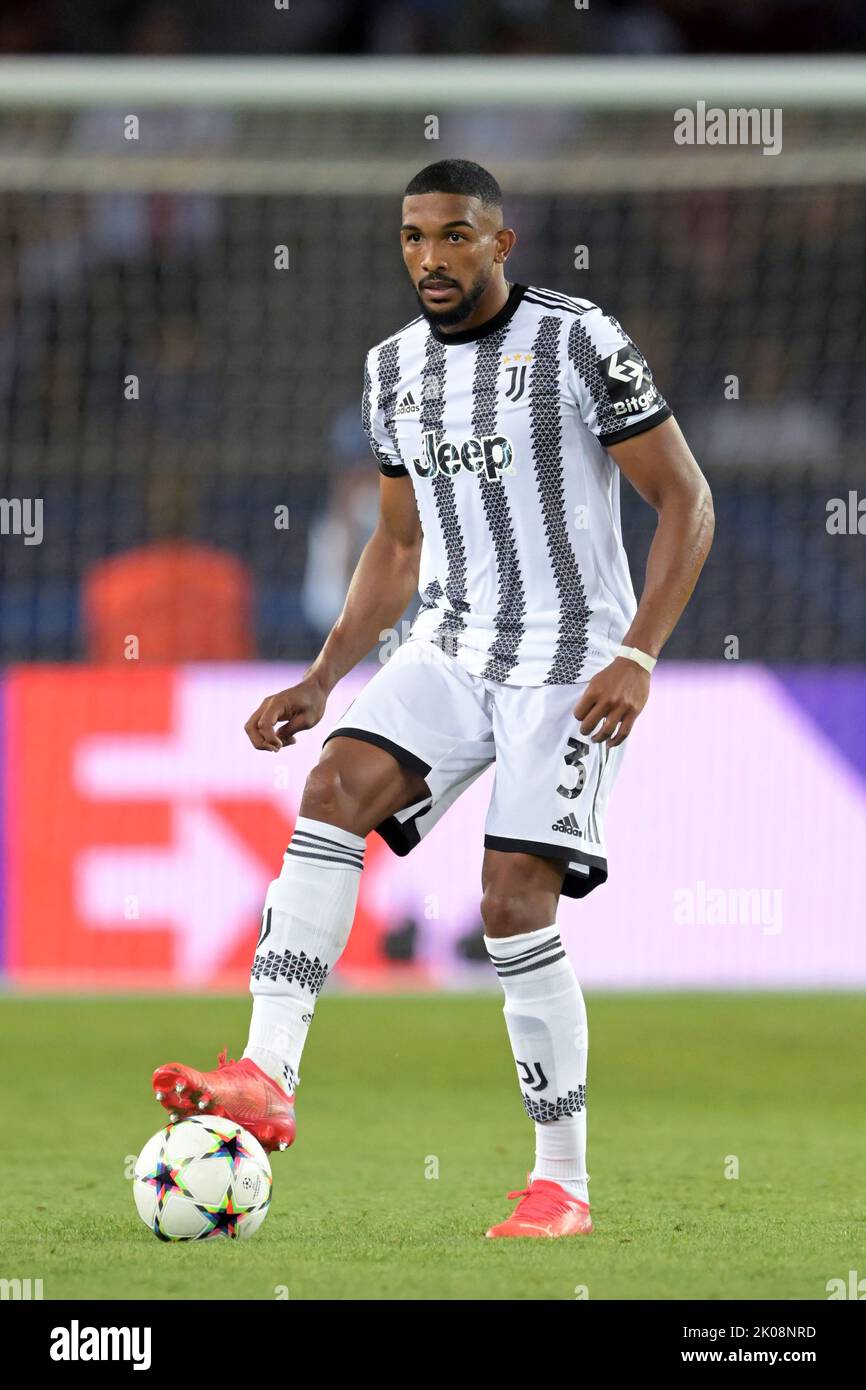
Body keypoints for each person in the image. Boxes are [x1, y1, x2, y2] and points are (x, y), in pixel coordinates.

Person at [152, 159, 714, 1239]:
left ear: (500, 244)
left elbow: (683, 498)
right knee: (332, 785)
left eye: (454, 236)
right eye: (413, 238)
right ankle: (267, 1077)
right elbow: (397, 544)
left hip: (568, 659)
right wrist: (322, 676)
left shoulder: (576, 341)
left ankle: (561, 1184)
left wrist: (638, 655)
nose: (430, 258)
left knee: (511, 904)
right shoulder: (390, 370)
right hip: (449, 645)